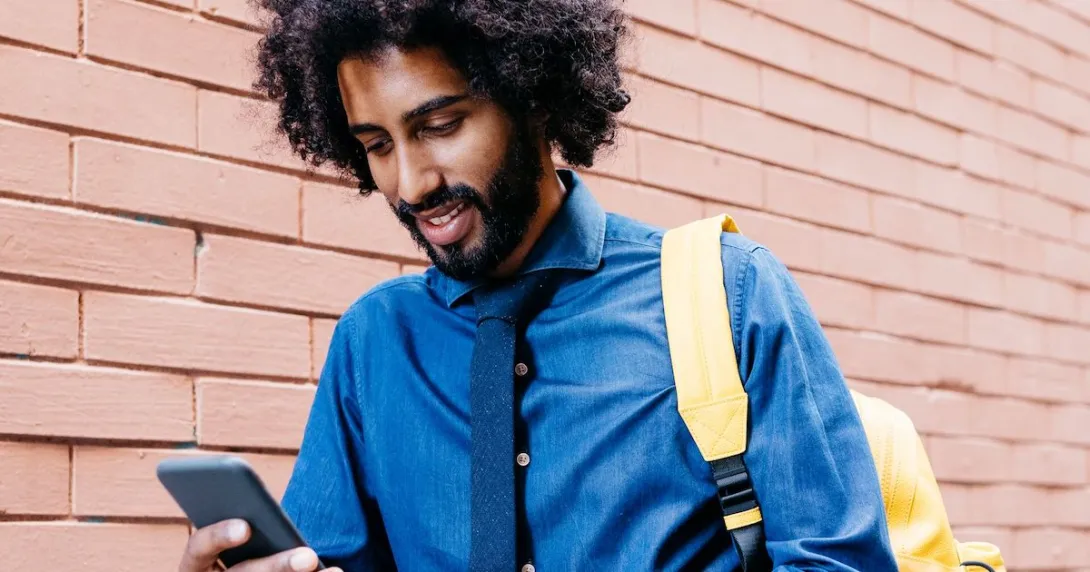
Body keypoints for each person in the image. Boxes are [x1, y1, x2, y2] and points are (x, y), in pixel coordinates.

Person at [177, 1, 899, 571]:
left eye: (441, 125)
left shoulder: (730, 292)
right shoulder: (374, 343)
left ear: (536, 95)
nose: (411, 183)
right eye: (375, 146)